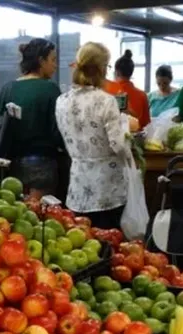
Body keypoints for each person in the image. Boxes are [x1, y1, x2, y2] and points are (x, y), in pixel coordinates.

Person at [55, 42, 133, 229]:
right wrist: (127, 132)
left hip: (77, 186)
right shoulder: (106, 101)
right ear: (101, 69)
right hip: (107, 189)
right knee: (109, 244)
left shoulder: (61, 101)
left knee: (83, 242)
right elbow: (118, 145)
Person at [0, 38, 63, 198]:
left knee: (17, 213)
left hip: (11, 165)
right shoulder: (50, 89)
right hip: (42, 164)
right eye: (52, 60)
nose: (55, 65)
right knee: (41, 215)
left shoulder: (7, 89)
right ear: (41, 61)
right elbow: (57, 131)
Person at [104, 50, 151, 129]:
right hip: (135, 138)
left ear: (117, 72)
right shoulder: (142, 95)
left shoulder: (107, 90)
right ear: (131, 73)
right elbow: (146, 124)